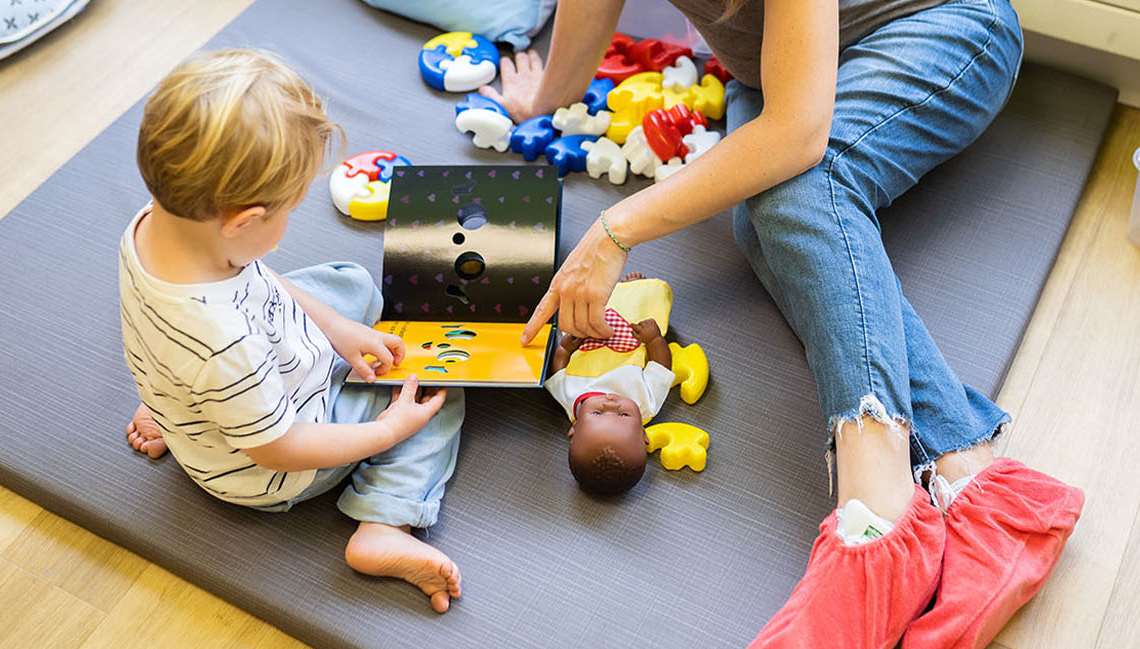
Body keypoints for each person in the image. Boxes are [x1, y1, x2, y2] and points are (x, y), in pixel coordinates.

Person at [487, 0, 1085, 645]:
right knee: (768, 221)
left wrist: (613, 231)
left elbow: (799, 137)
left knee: (805, 182)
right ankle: (973, 481)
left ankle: (877, 501)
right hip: (772, 77)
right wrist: (543, 104)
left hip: (937, 26)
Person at [120, 48, 463, 613]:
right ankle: (385, 521)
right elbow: (280, 449)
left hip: (211, 383)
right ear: (243, 222)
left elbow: (257, 279)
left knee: (348, 283)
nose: (289, 222)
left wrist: (333, 326)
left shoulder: (158, 223)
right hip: (270, 462)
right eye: (289, 210)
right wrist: (388, 431)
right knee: (434, 392)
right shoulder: (222, 342)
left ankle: (173, 409)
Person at [545, 274, 674, 494]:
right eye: (624, 416)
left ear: (574, 427)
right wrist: (654, 340)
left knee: (587, 303)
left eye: (597, 414)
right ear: (643, 434)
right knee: (637, 303)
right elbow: (661, 367)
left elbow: (559, 372)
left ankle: (613, 285)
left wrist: (565, 349)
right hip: (632, 333)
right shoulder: (646, 403)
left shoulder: (571, 401)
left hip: (587, 336)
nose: (611, 403)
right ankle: (630, 288)